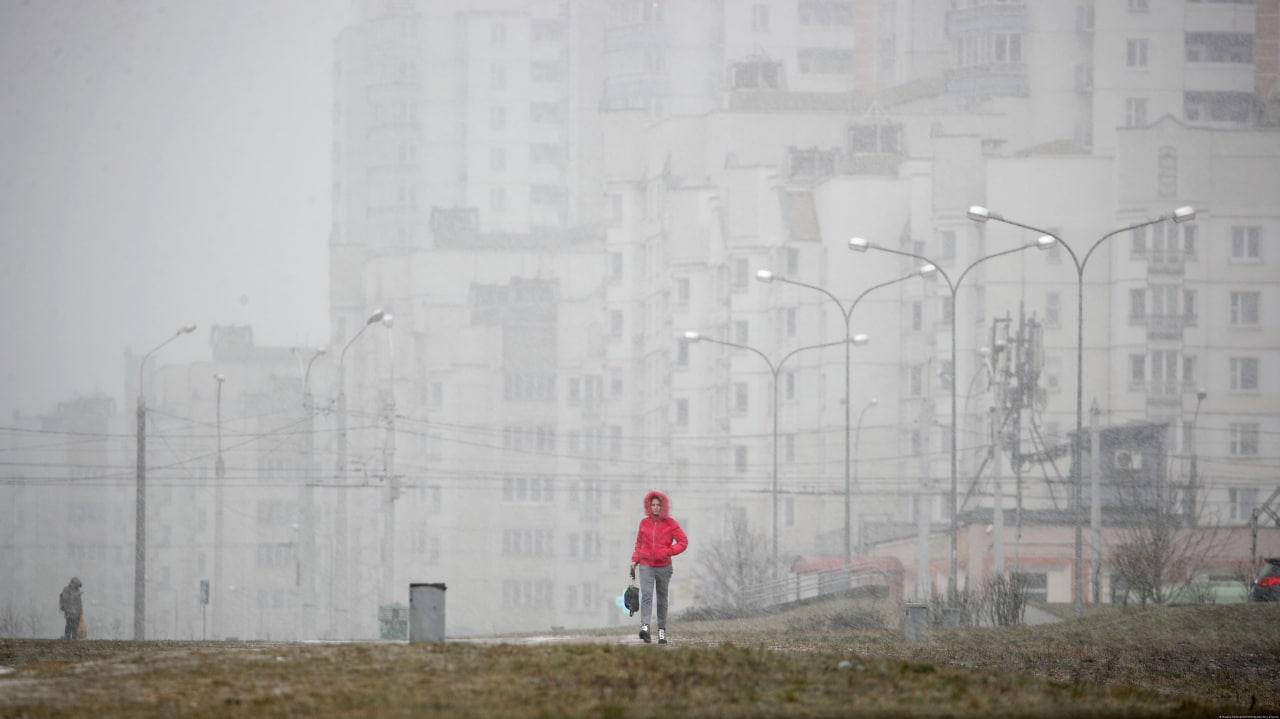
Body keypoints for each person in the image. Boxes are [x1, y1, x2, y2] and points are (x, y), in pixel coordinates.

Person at [629, 489, 687, 644]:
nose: (655, 507)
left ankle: (661, 631)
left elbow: (683, 542)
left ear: (663, 506)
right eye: (653, 505)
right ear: (649, 506)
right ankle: (645, 628)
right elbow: (639, 544)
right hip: (646, 565)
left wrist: (668, 551)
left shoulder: (671, 523)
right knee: (647, 596)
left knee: (662, 599)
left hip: (664, 567)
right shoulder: (644, 523)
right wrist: (635, 560)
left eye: (658, 505)